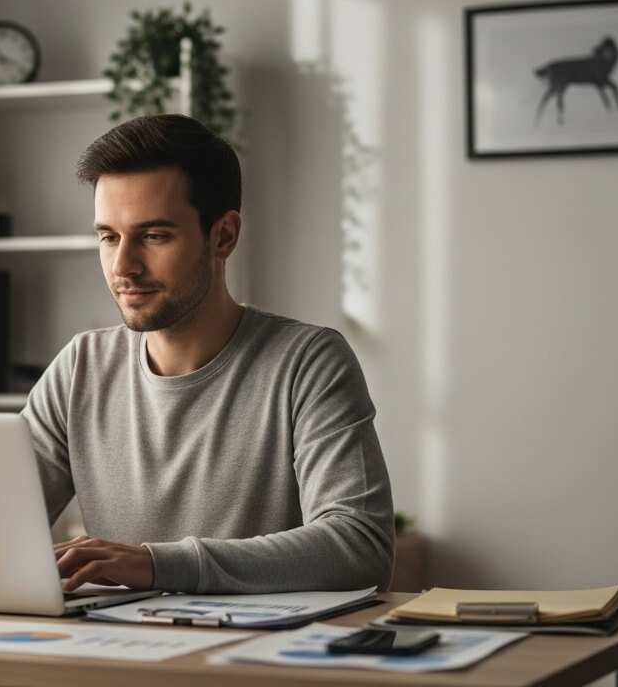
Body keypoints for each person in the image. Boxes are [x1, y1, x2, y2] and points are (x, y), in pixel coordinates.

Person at [21, 114, 394, 595]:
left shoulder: (307, 361)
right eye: (109, 237)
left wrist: (159, 565)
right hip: (114, 654)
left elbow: (361, 546)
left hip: (249, 662)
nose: (123, 266)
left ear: (223, 236)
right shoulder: (81, 367)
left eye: (154, 236)